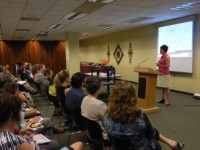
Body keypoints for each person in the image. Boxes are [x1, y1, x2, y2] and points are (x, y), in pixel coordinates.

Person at [102, 81, 184, 150]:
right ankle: (171, 142)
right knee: (155, 142)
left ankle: (170, 142)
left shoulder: (105, 116)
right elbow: (152, 134)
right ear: (132, 97)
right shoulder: (139, 116)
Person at [81, 76, 108, 140]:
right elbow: (109, 122)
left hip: (91, 132)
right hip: (102, 135)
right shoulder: (100, 104)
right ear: (98, 89)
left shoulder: (84, 99)